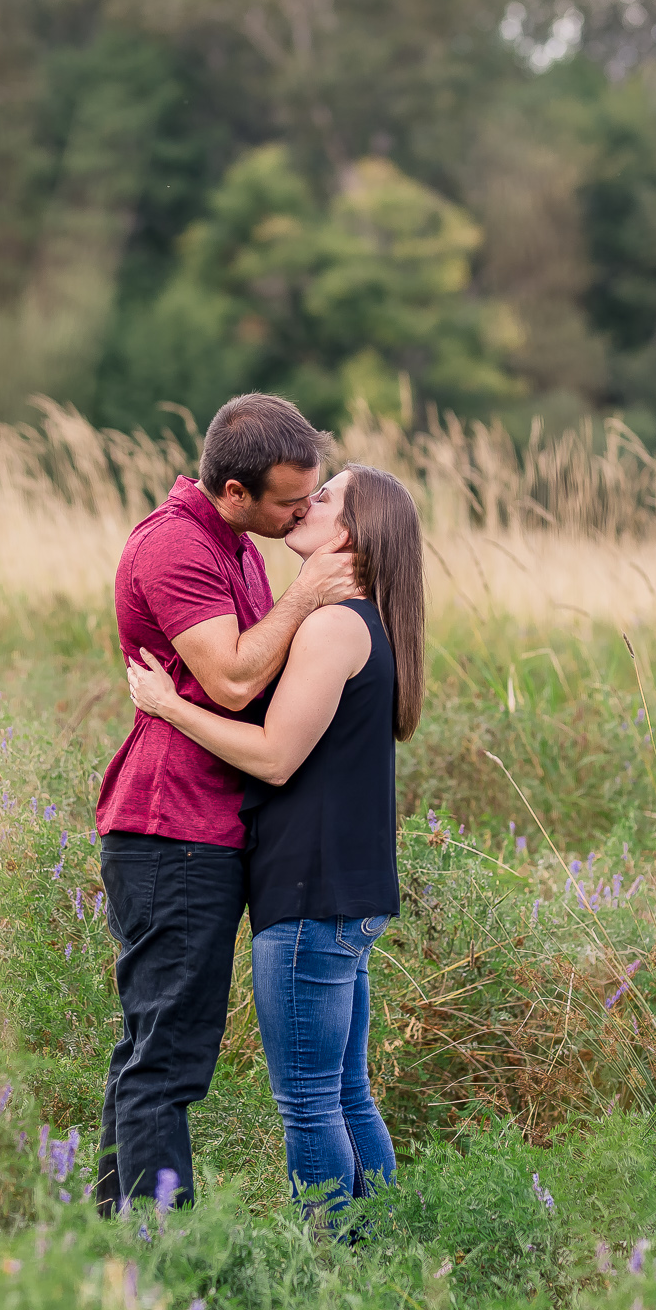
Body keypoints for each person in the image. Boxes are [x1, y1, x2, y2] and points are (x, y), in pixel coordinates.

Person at [124, 463, 424, 1221]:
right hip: (345, 894)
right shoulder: (369, 623)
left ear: (348, 533)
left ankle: (332, 1266)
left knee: (308, 1105)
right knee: (346, 1092)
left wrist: (167, 705)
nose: (304, 504)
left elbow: (274, 754)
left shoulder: (330, 626)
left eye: (324, 498)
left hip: (307, 894)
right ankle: (378, 1253)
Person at [92, 392, 361, 1214]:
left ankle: (113, 1239)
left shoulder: (236, 541)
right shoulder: (176, 545)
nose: (302, 512)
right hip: (172, 828)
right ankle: (161, 1253)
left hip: (205, 827)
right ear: (235, 490)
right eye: (289, 500)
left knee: (150, 1046)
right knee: (167, 1059)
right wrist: (310, 590)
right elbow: (235, 676)